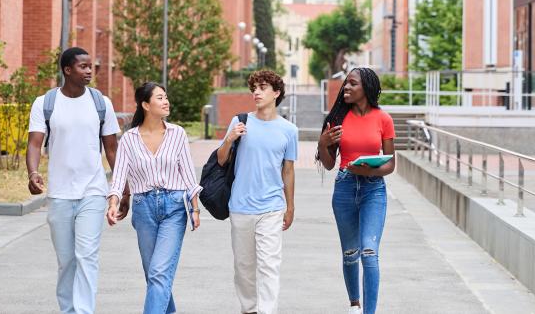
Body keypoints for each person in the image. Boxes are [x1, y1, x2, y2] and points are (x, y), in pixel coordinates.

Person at [25, 47, 127, 314]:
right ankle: (69, 310)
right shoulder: (45, 103)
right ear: (67, 70)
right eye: (83, 67)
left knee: (87, 256)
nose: (89, 71)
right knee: (67, 260)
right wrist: (32, 173)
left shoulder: (101, 102)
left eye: (90, 66)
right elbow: (35, 143)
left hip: (93, 192)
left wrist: (122, 188)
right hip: (59, 194)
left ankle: (83, 312)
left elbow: (112, 150)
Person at [106, 82, 202, 314]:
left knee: (159, 273)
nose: (166, 101)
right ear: (146, 104)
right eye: (160, 98)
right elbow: (119, 175)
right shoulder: (129, 139)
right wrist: (113, 202)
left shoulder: (177, 133)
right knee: (154, 275)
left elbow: (188, 174)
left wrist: (195, 208)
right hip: (143, 207)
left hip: (174, 207)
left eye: (166, 97)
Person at [216, 69, 298, 314]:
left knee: (269, 265)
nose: (256, 93)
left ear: (276, 93)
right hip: (240, 205)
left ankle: (266, 311)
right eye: (254, 88)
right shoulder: (240, 121)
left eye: (263, 88)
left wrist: (290, 206)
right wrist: (230, 139)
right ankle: (249, 309)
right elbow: (220, 160)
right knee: (244, 267)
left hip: (271, 207)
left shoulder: (289, 130)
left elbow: (289, 171)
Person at [316, 67, 396, 314]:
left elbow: (390, 163)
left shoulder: (383, 119)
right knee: (350, 252)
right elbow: (329, 165)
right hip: (344, 188)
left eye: (352, 84)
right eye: (345, 84)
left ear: (367, 88)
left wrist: (369, 171)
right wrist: (323, 143)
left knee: (369, 251)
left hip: (374, 191)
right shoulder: (337, 118)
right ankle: (354, 305)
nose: (346, 88)